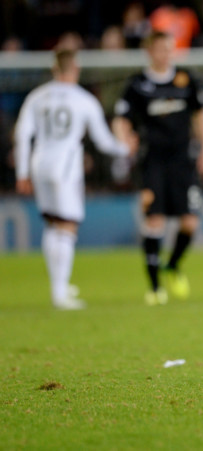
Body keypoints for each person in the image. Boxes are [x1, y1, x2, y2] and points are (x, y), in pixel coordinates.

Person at [14, 49, 135, 310]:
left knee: (53, 224)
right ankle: (59, 293)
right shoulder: (83, 100)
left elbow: (22, 134)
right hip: (66, 166)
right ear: (75, 69)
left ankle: (58, 285)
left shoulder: (37, 96)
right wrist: (126, 148)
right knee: (68, 227)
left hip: (39, 163)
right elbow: (103, 141)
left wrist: (22, 172)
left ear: (54, 69)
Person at [113, 31, 203, 305]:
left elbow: (202, 114)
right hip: (152, 161)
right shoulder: (137, 84)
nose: (166, 54)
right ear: (149, 51)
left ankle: (172, 265)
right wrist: (124, 141)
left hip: (183, 160)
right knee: (154, 220)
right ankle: (155, 287)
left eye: (169, 49)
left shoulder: (187, 79)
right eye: (161, 49)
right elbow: (121, 119)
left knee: (190, 222)